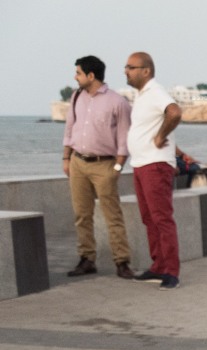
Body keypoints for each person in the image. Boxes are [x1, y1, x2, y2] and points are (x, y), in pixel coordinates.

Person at [61, 55, 135, 279]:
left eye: (78, 73)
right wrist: (66, 159)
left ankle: (122, 262)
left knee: (112, 216)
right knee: (81, 215)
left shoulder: (117, 102)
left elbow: (124, 138)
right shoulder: (76, 97)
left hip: (105, 165)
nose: (75, 77)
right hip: (78, 163)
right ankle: (87, 259)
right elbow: (69, 130)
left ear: (91, 76)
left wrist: (117, 168)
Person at [124, 52, 182, 290]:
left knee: (162, 219)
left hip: (154, 165)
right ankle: (158, 266)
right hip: (141, 164)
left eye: (131, 67)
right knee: (150, 219)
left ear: (145, 71)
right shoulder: (142, 96)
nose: (126, 70)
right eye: (126, 67)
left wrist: (160, 136)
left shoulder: (155, 91)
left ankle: (171, 272)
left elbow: (175, 112)